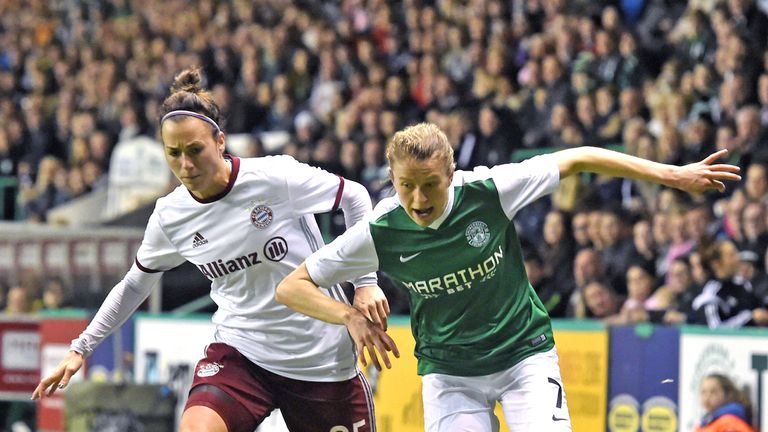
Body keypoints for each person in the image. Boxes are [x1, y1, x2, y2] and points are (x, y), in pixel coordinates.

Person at [275, 122, 742, 432]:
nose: (418, 199)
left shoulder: (490, 191)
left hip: (524, 357)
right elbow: (291, 286)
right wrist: (350, 316)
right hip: (450, 375)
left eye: (430, 184)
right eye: (406, 186)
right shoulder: (381, 230)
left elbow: (578, 157)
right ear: (392, 181)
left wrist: (672, 175)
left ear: (450, 173)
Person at [32, 68, 393, 432]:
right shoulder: (171, 216)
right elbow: (135, 284)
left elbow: (355, 197)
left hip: (319, 359)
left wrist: (365, 283)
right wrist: (81, 347)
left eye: (195, 150)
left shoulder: (274, 178)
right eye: (173, 153)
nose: (185, 165)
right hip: (241, 354)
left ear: (220, 141)